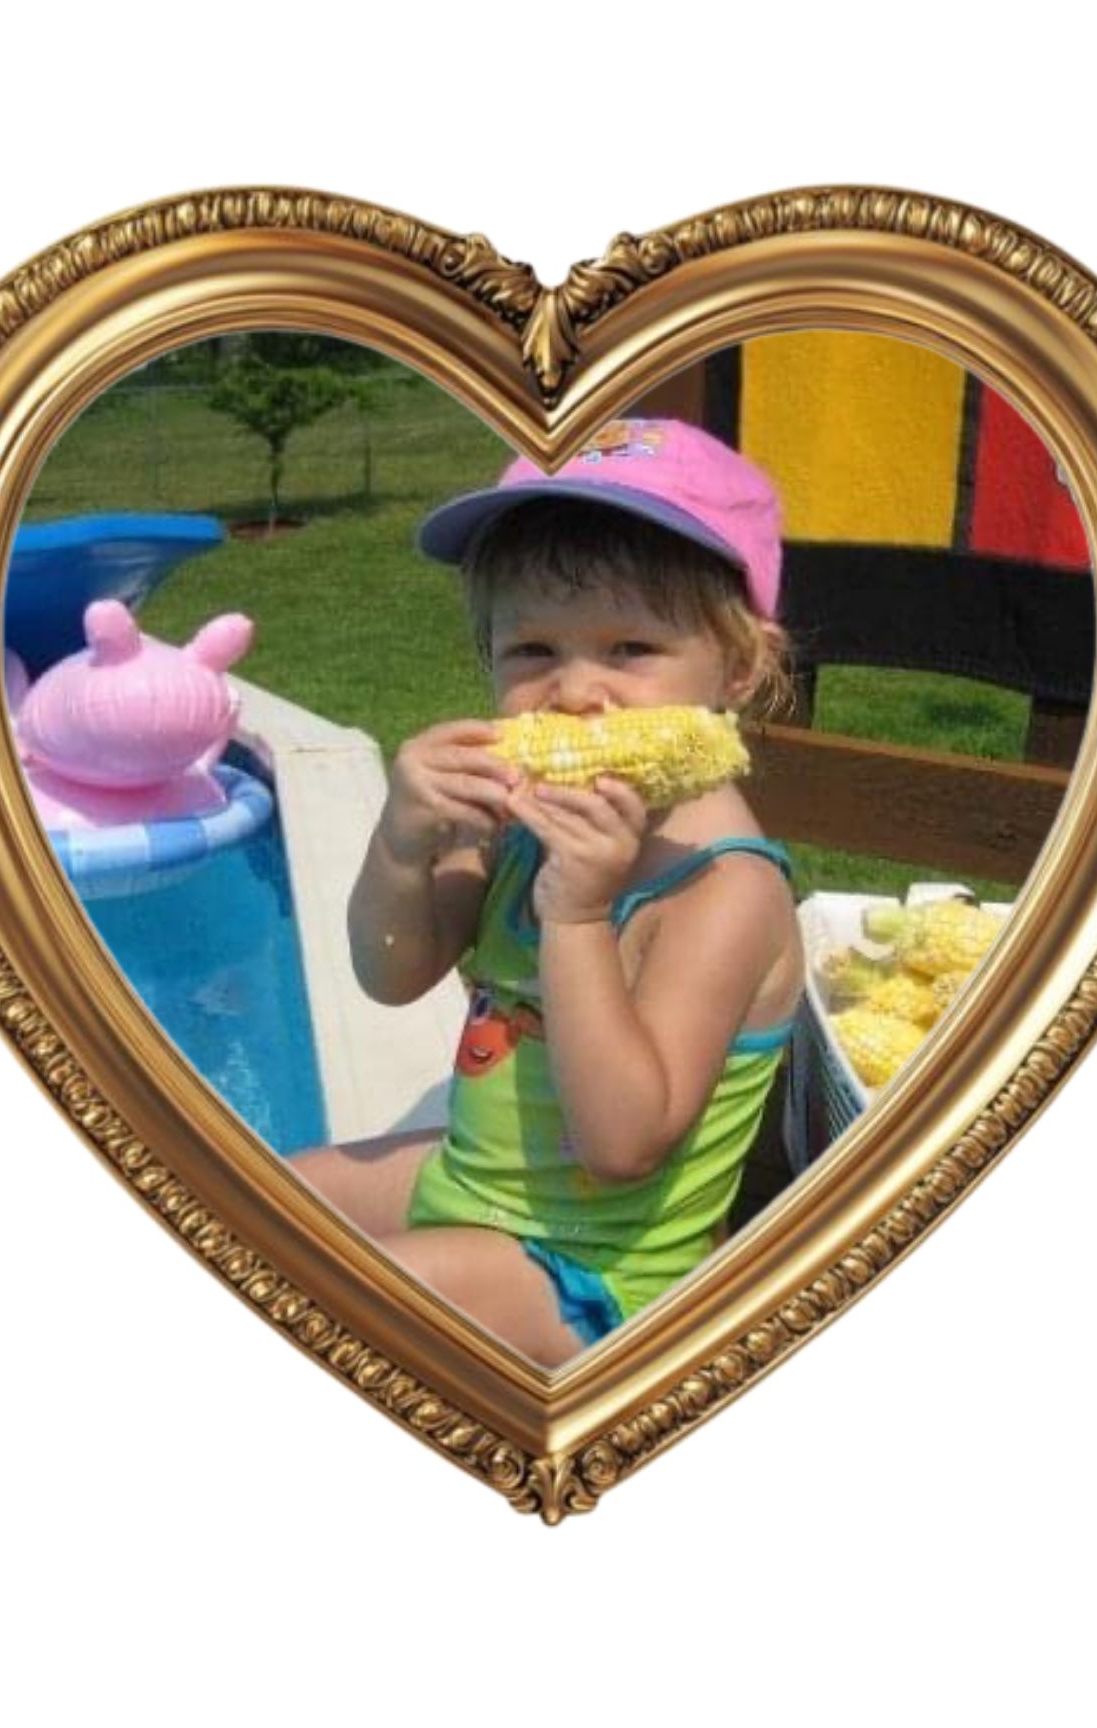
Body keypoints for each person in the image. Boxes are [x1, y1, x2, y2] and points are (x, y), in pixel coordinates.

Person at [290, 419, 806, 1368]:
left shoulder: (724, 890)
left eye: (630, 648)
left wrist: (574, 918)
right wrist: (404, 842)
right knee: (241, 1202)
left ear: (738, 666)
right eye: (532, 650)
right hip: (472, 1180)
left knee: (321, 1309)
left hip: (596, 1275)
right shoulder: (526, 818)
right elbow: (393, 973)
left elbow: (623, 1143)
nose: (575, 694)